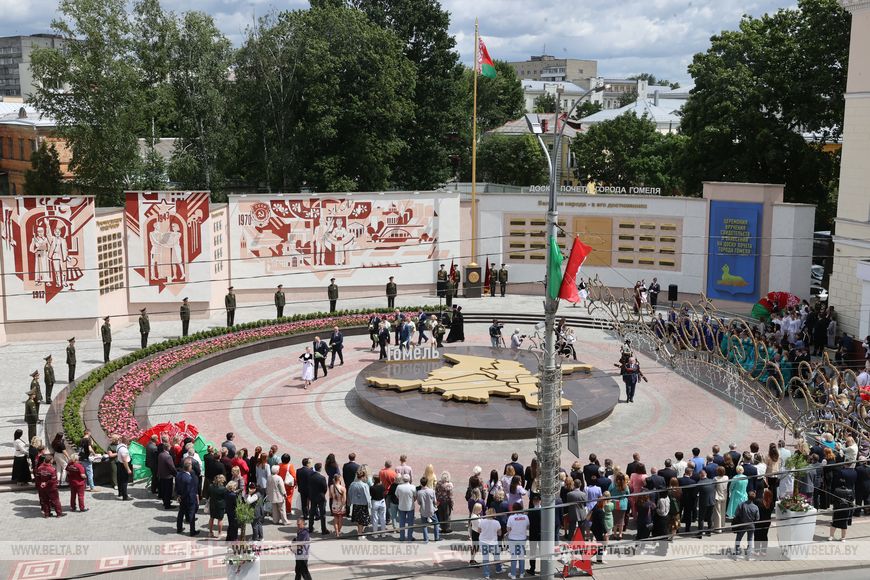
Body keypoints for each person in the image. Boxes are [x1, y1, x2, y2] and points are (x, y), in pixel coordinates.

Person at [175, 458, 200, 536]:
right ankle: (192, 531)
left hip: (181, 498)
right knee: (192, 515)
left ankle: (179, 528)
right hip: (189, 499)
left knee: (181, 513)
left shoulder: (178, 475)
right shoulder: (189, 479)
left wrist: (179, 496)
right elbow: (189, 491)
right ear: (189, 468)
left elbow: (176, 486)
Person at [732, 491, 759, 558]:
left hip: (742, 524)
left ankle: (737, 552)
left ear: (747, 496)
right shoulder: (755, 507)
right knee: (750, 539)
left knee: (738, 538)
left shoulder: (741, 504)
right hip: (751, 525)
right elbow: (757, 518)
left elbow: (736, 514)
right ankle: (748, 554)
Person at [479, 508, 503, 578]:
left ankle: (487, 574)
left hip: (483, 541)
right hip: (493, 542)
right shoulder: (497, 522)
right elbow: (499, 533)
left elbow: (479, 531)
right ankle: (498, 569)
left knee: (485, 558)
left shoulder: (482, 521)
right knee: (496, 556)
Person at [308, 463, 329, 534]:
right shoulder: (322, 478)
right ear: (320, 469)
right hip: (320, 497)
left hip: (313, 496)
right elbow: (325, 488)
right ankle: (323, 530)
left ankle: (310, 528)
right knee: (322, 514)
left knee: (312, 513)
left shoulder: (310, 476)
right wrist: (322, 494)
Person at [396, 474, 416, 541]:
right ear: (409, 480)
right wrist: (412, 501)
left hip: (401, 506)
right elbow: (415, 496)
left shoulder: (399, 487)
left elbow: (397, 495)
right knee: (410, 523)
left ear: (403, 479)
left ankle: (402, 537)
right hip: (410, 507)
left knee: (402, 522)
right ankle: (410, 537)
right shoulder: (412, 487)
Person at [589, 497, 608, 564]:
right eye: (605, 502)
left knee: (599, 545)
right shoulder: (601, 511)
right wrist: (605, 532)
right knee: (600, 545)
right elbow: (601, 523)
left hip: (594, 528)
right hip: (598, 530)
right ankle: (589, 557)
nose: (606, 503)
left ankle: (598, 559)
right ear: (603, 503)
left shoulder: (595, 508)